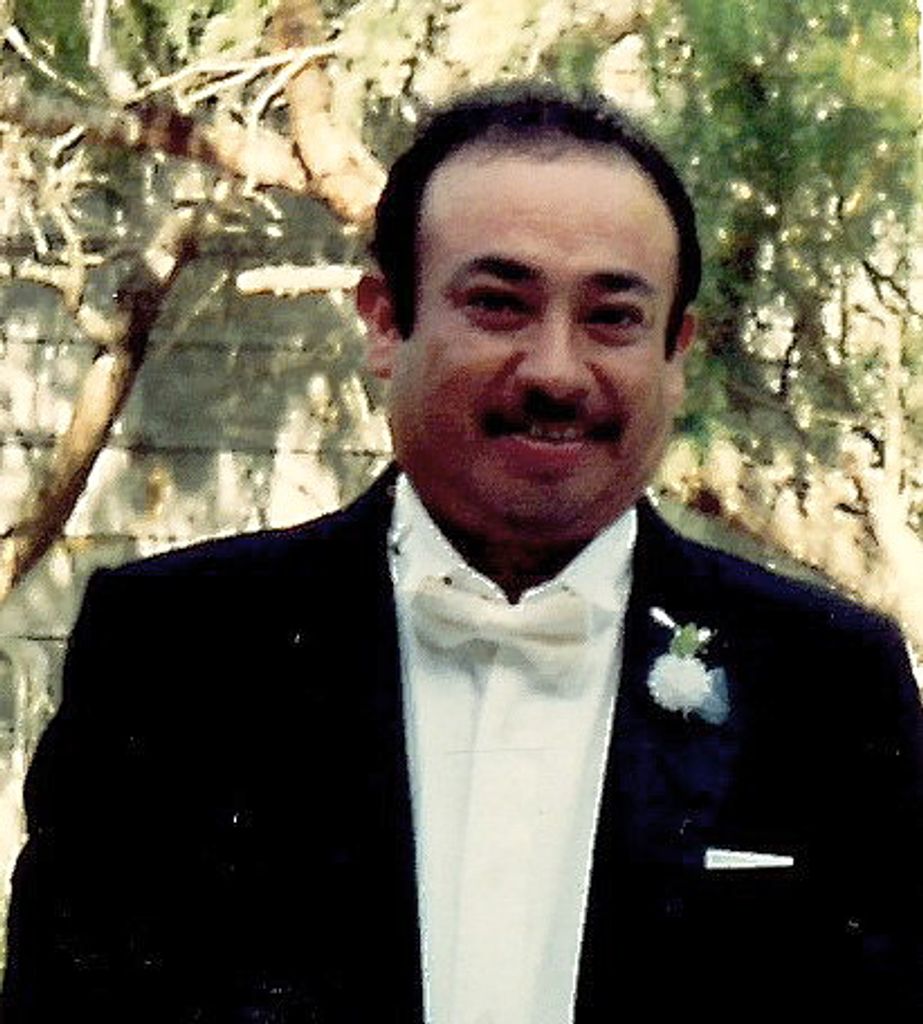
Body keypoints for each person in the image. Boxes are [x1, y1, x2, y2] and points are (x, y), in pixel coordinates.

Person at [4, 84, 923, 1023]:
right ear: (384, 323)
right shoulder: (174, 653)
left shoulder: (827, 682)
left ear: (675, 353)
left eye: (612, 317)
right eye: (497, 305)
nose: (556, 371)